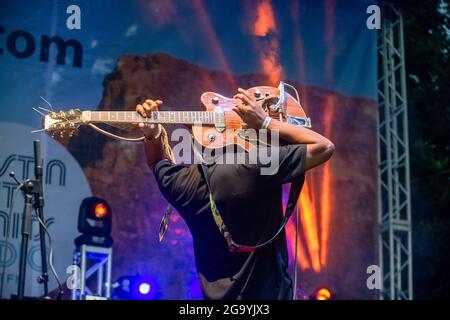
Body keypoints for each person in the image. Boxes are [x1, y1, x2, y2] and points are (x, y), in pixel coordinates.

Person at [136, 88, 334, 300]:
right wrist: (265, 122)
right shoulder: (256, 166)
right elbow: (324, 146)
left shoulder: (182, 184)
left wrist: (153, 134)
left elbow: (157, 162)